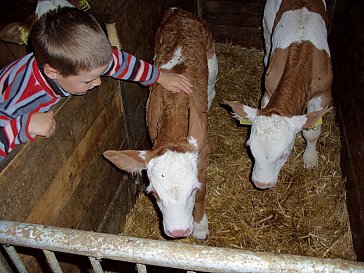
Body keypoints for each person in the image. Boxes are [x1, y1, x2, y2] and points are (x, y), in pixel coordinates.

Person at [0, 7, 193, 162]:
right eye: (87, 80)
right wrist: (22, 127)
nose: (98, 82)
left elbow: (119, 62)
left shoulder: (81, 61)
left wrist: (158, 76)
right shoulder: (23, 97)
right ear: (53, 73)